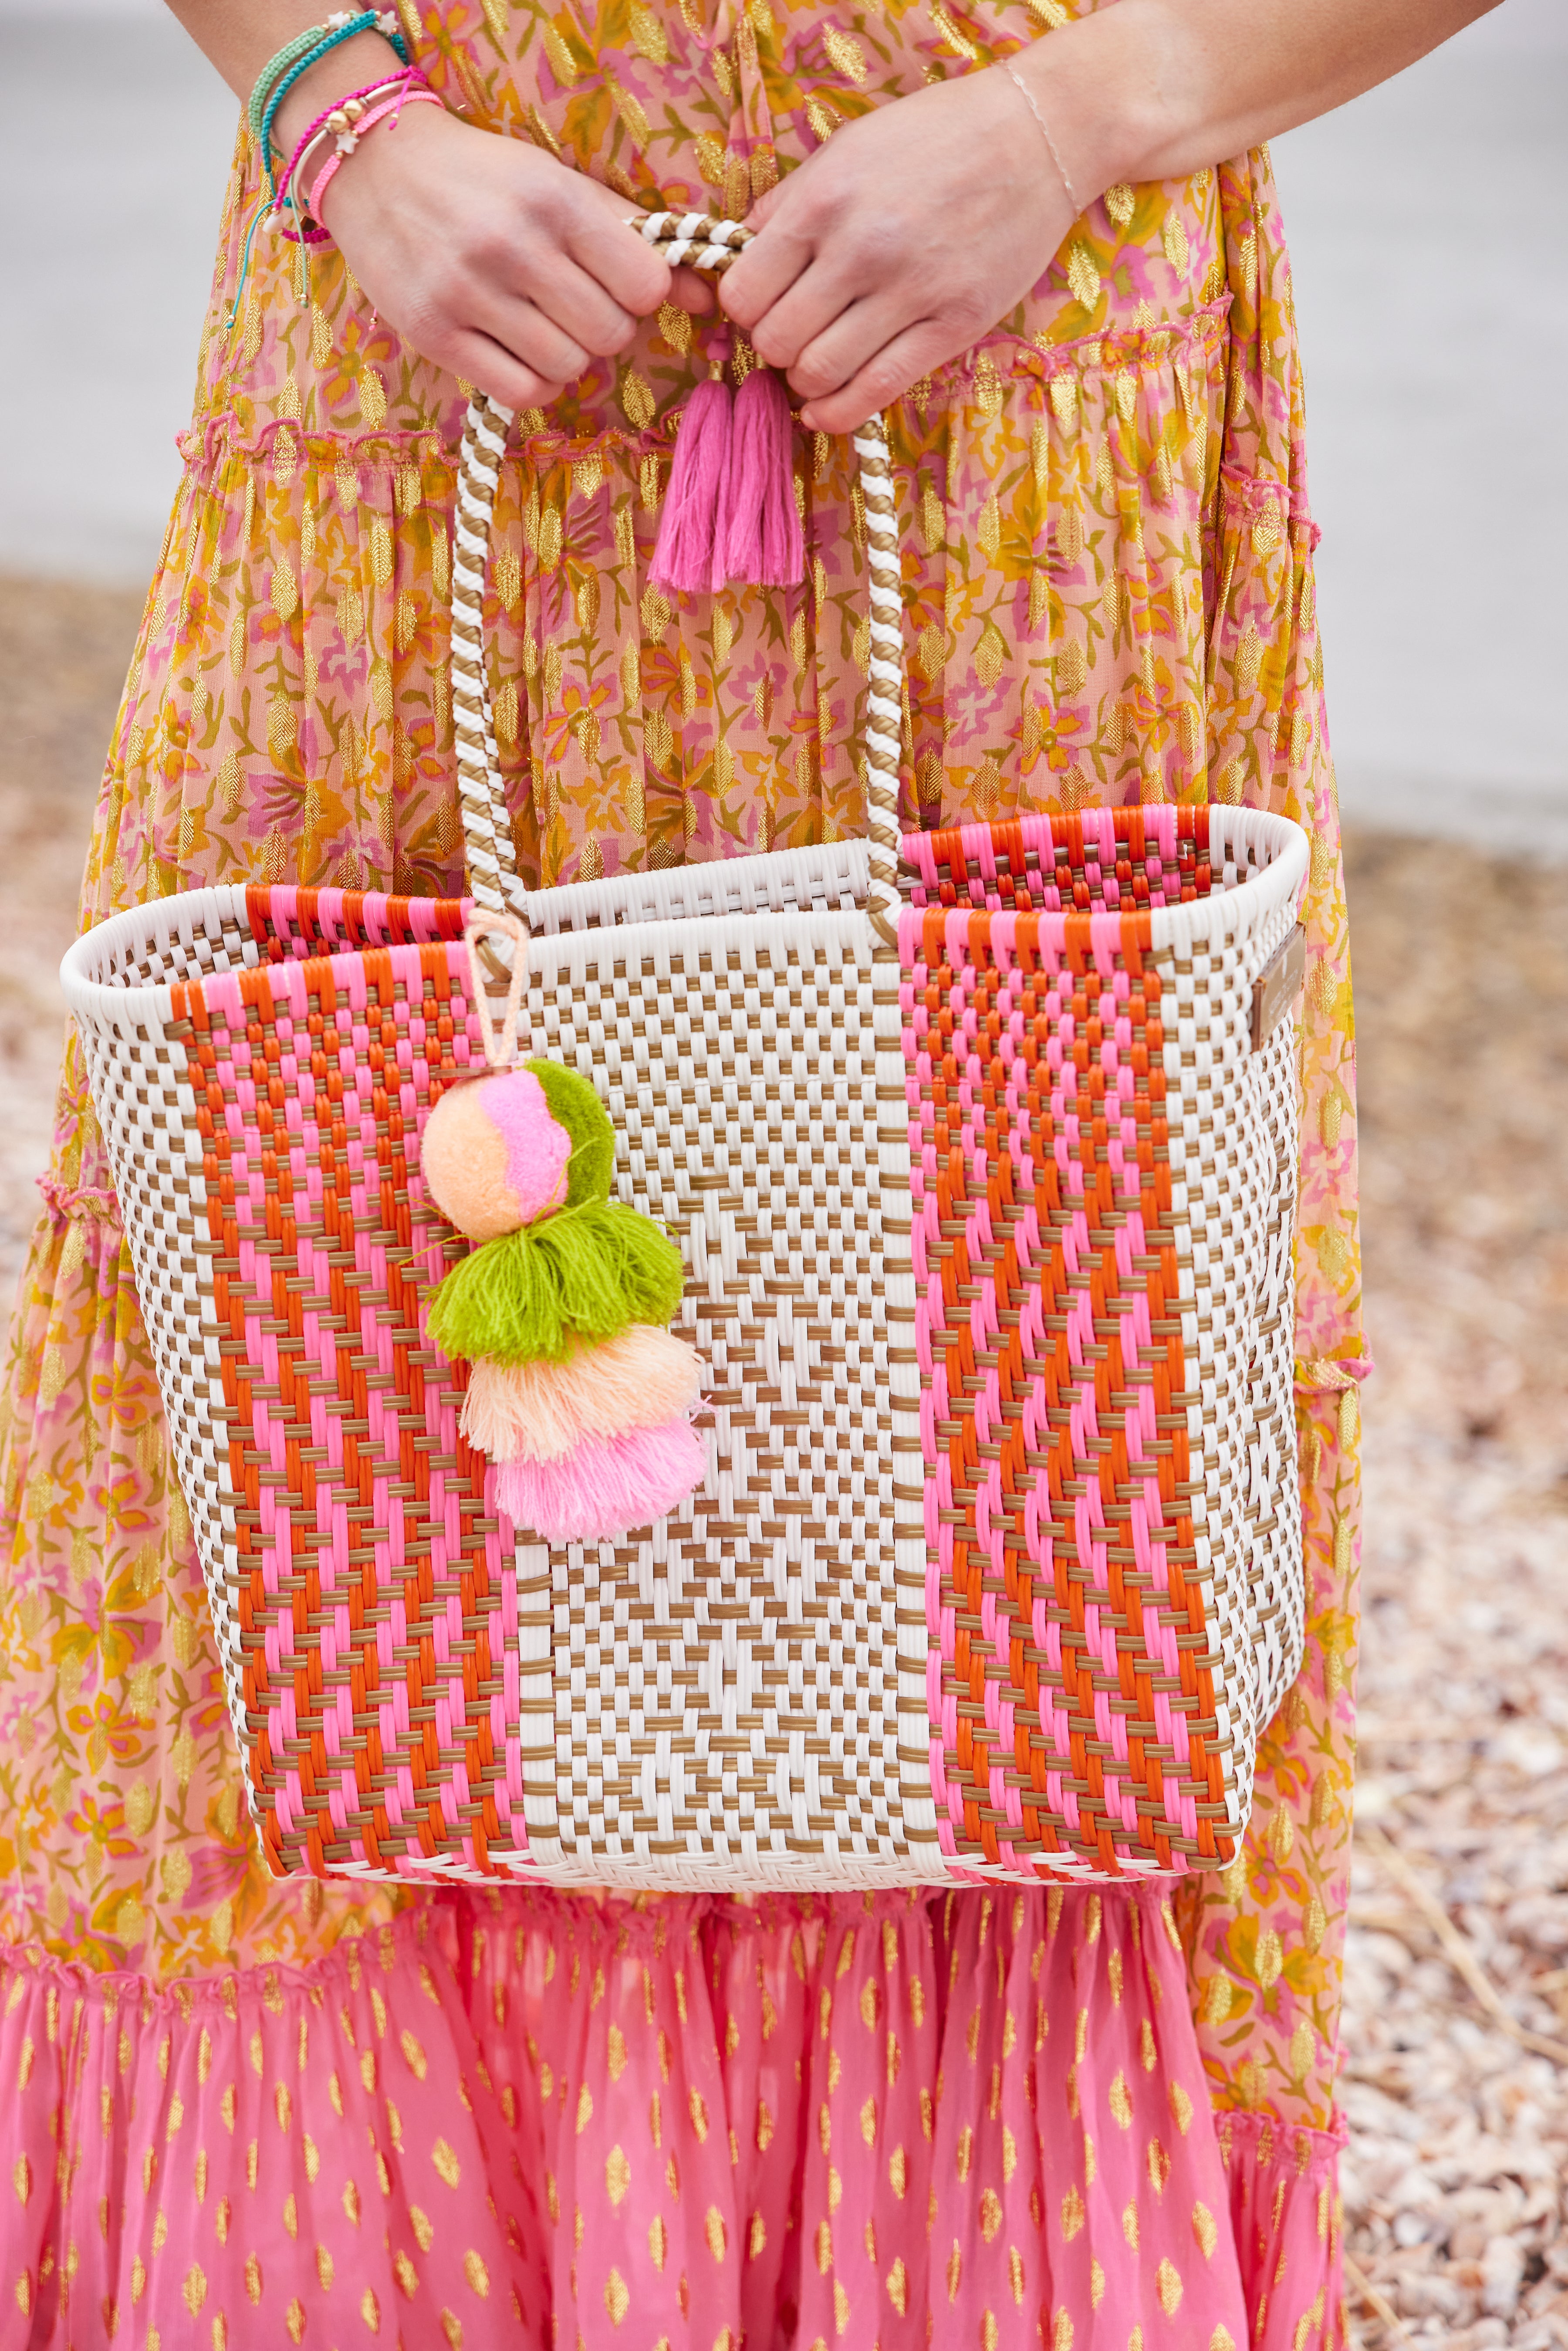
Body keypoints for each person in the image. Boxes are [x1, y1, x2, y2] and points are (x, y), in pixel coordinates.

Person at [0, 0, 1491, 2340]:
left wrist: (1078, 114)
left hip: (1005, 370)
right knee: (316, 1367)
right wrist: (333, 107)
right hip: (428, 337)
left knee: (1018, 1477)